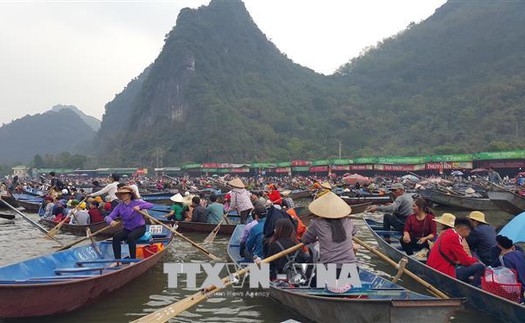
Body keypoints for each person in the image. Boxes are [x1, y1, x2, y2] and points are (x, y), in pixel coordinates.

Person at [302, 192, 358, 267]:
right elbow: (354, 232)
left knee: (312, 276)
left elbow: (305, 240)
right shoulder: (348, 221)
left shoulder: (317, 223)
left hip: (328, 268)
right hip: (352, 266)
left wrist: (318, 238)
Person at [427, 217, 485, 286]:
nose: (469, 234)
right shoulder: (454, 237)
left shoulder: (447, 232)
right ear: (462, 229)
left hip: (433, 269)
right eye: (469, 231)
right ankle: (475, 290)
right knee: (480, 267)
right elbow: (465, 261)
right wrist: (476, 260)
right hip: (444, 273)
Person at [105, 186, 153, 259]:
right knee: (116, 237)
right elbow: (108, 217)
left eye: (125, 194)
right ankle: (118, 260)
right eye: (121, 194)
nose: (123, 195)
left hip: (140, 228)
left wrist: (139, 207)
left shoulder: (137, 202)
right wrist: (111, 221)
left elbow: (150, 205)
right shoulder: (119, 206)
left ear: (130, 195)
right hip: (128, 229)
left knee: (131, 237)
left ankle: (133, 259)